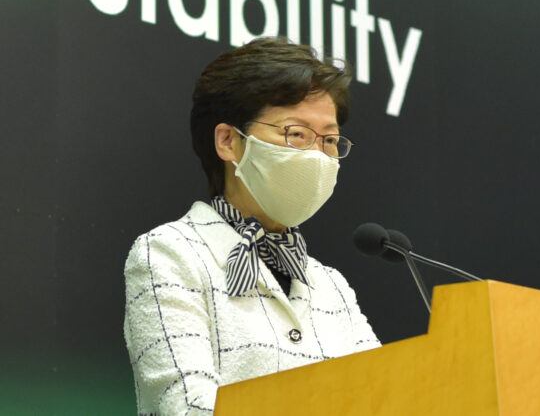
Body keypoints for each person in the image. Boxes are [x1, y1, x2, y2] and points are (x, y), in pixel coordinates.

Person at [123, 37, 381, 415]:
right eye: (296, 134)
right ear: (228, 141)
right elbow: (188, 407)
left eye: (328, 140)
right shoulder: (169, 253)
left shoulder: (332, 287)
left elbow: (387, 396)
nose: (316, 155)